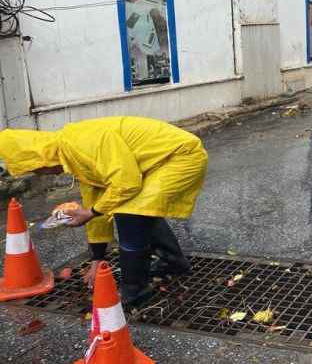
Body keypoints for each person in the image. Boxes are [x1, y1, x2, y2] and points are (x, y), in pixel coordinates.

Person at [0, 116, 208, 307]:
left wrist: (91, 212)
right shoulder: (71, 154)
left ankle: (134, 292)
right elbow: (96, 202)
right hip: (160, 162)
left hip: (181, 156)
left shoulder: (82, 145)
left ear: (40, 159)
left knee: (130, 213)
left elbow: (125, 185)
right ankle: (174, 262)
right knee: (141, 209)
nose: (41, 175)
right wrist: (97, 259)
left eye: (36, 169)